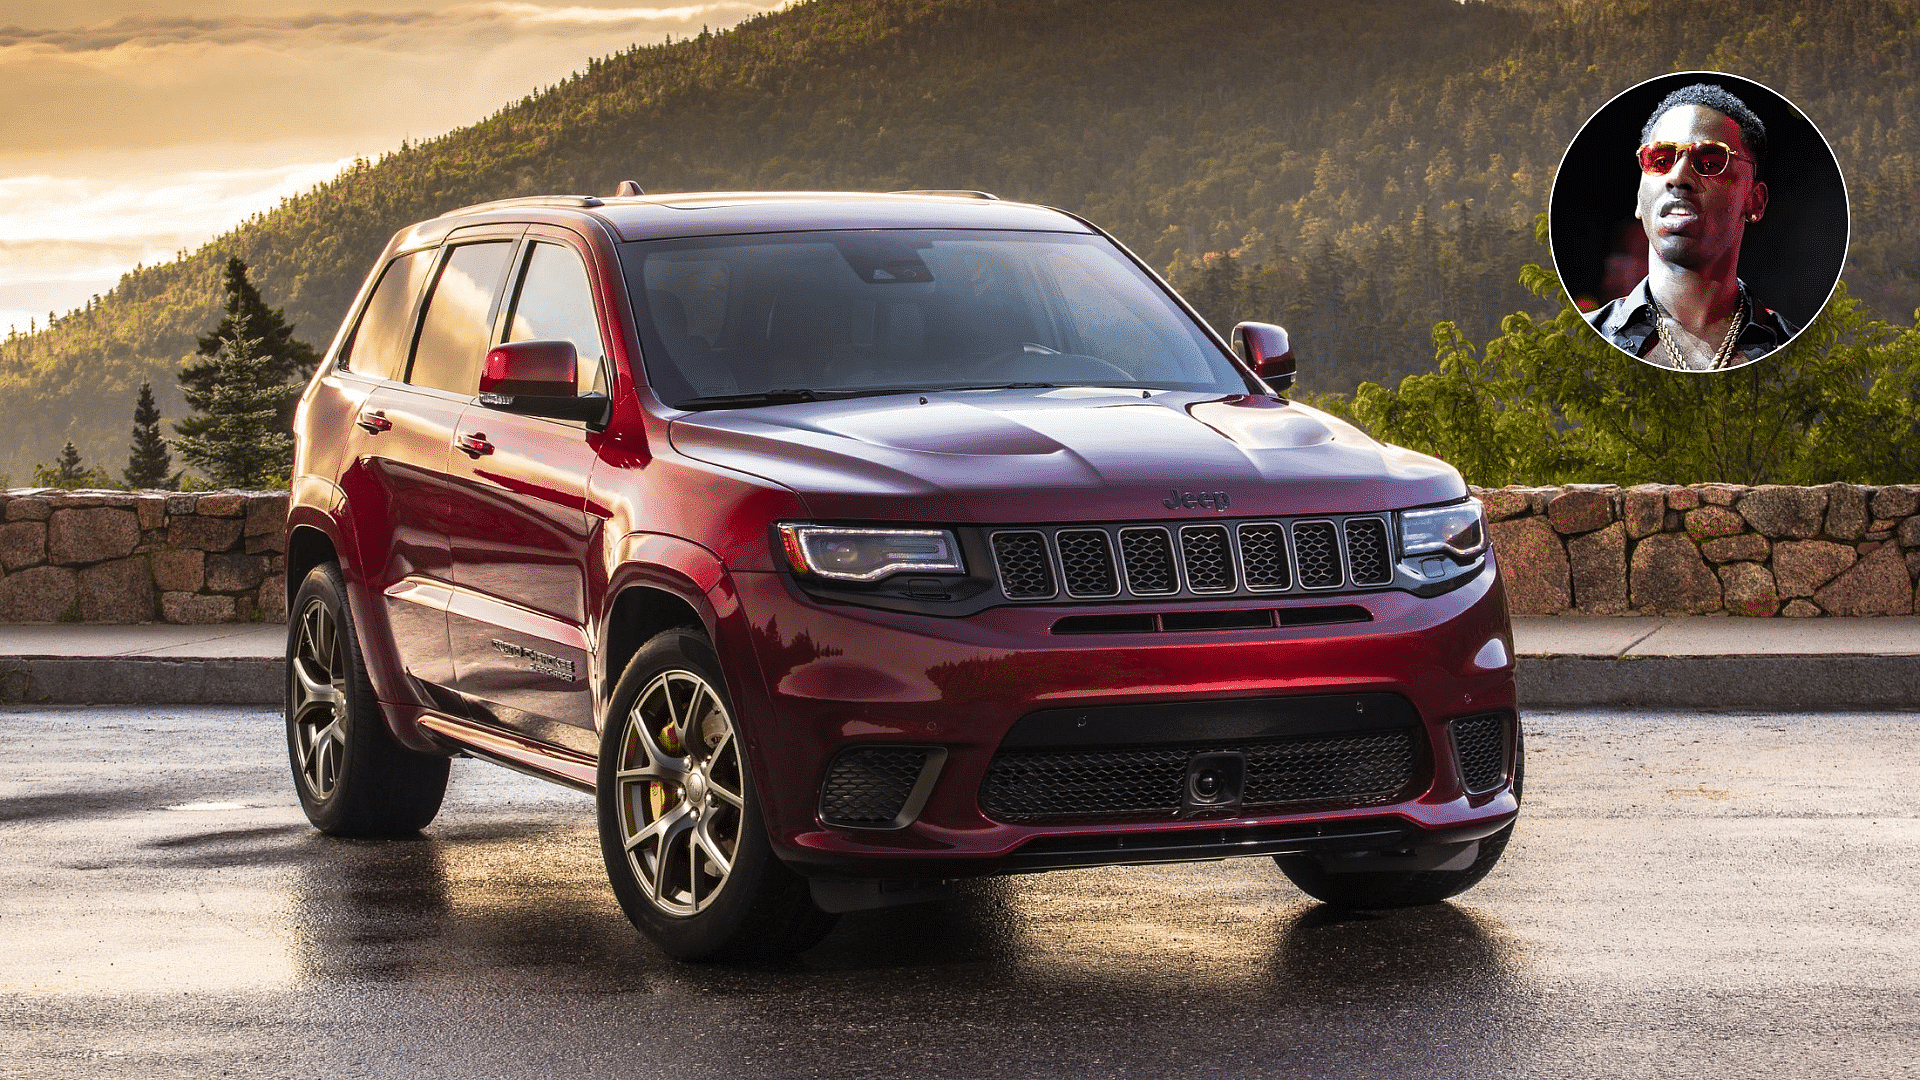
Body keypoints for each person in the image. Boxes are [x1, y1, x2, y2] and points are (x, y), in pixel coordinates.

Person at [1584, 83, 1798, 371]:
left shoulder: (1797, 354)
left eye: (1710, 163)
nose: (1678, 175)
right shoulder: (1581, 343)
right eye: (1660, 160)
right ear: (1639, 199)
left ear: (1755, 202)